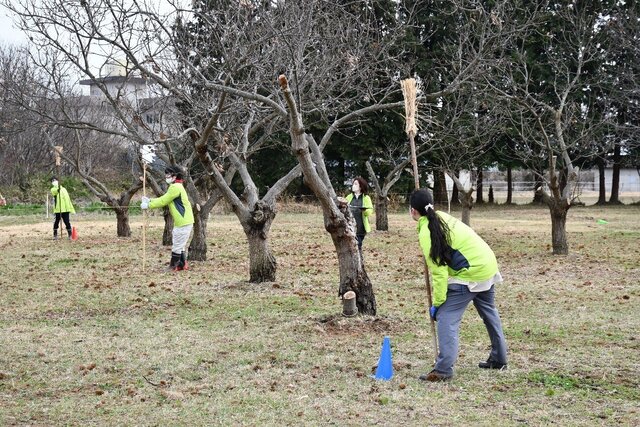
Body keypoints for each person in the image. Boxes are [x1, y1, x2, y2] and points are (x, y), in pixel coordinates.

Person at [409, 189, 507, 382]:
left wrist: (438, 304)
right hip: (487, 263)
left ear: (412, 211)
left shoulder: (427, 232)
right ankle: (499, 359)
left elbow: (439, 272)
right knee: (489, 313)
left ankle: (443, 370)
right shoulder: (441, 217)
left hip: (470, 272)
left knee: (446, 318)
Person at [141, 166, 194, 271]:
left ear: (175, 176)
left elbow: (164, 201)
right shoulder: (177, 186)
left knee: (177, 245)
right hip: (184, 221)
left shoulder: (175, 187)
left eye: (168, 175)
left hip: (183, 221)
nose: (166, 177)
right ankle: (182, 265)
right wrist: (149, 201)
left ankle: (173, 266)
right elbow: (165, 199)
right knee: (180, 244)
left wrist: (148, 205)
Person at [345, 177, 374, 252]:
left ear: (361, 186)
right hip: (350, 227)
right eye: (353, 184)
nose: (353, 186)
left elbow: (370, 211)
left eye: (355, 184)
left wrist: (364, 211)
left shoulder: (366, 198)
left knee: (358, 246)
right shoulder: (349, 197)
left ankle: (360, 262)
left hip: (361, 228)